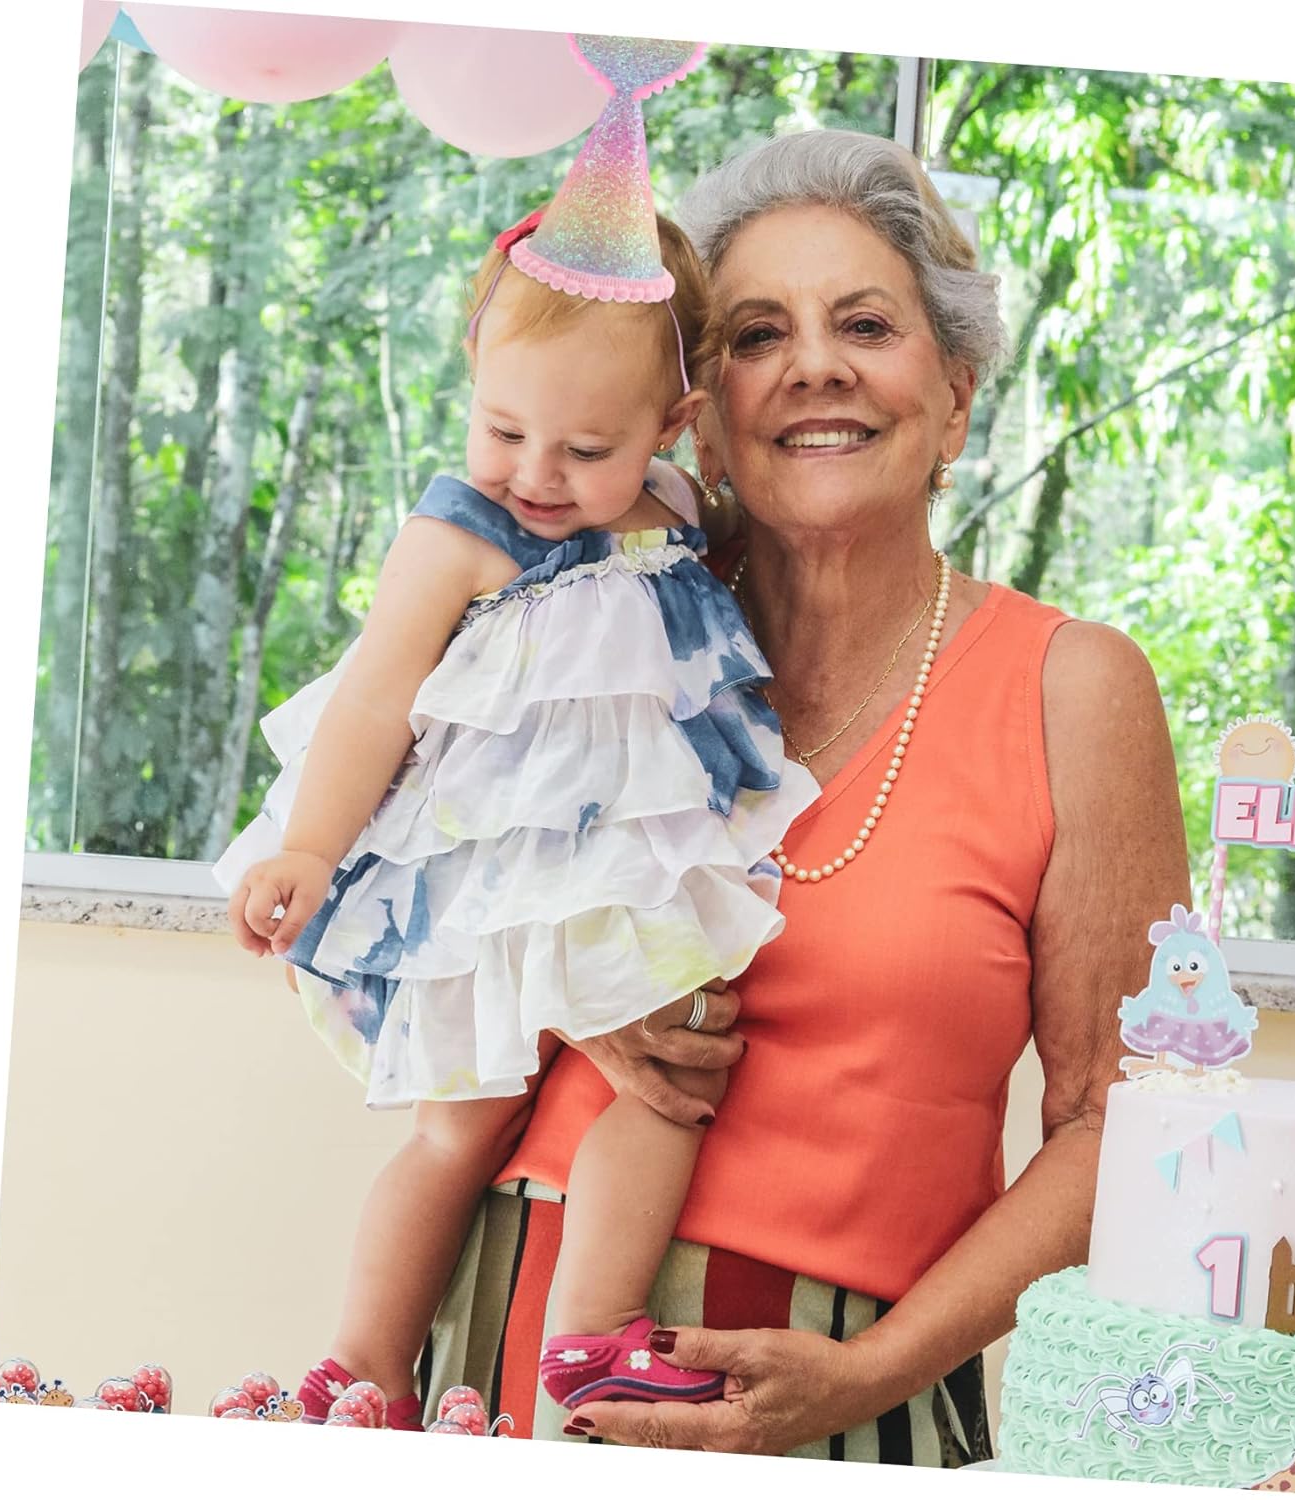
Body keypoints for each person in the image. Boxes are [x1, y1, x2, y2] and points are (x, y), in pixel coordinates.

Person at [421, 127, 1192, 1463]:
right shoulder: (588, 613)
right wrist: (567, 981)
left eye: (866, 325)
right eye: (758, 334)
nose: (814, 365)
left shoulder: (1076, 689)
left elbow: (1116, 1121)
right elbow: (394, 906)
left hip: (847, 1391)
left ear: (955, 398)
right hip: (508, 1343)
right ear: (697, 413)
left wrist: (870, 1372)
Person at [214, 41, 817, 1429]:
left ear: (671, 427)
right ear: (473, 377)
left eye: (586, 450)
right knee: (461, 1122)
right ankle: (363, 1357)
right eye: (504, 430)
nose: (537, 475)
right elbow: (375, 697)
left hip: (616, 863)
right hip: (489, 878)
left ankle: (590, 1337)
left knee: (673, 1078)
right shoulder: (456, 534)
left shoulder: (677, 511)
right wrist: (310, 849)